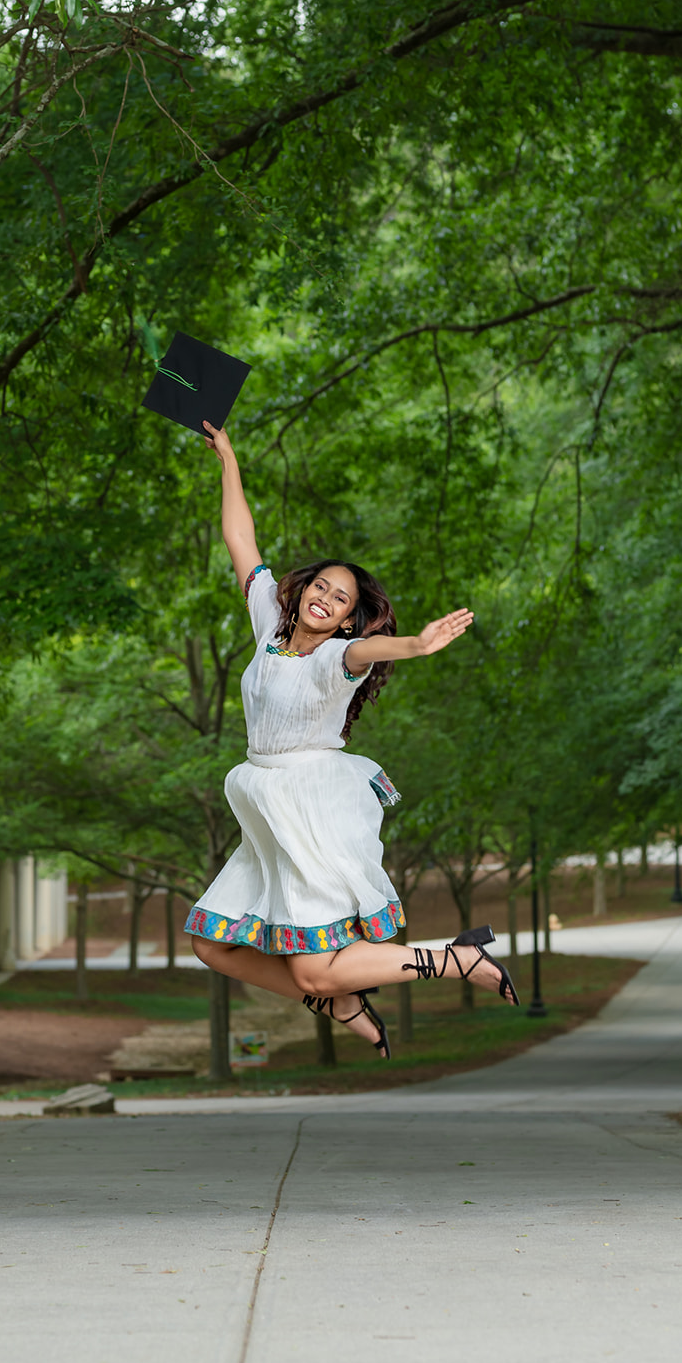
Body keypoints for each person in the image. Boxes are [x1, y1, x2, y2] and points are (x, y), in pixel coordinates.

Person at [186, 421, 518, 1059]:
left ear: (346, 618)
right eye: (320, 586)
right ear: (303, 590)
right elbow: (240, 539)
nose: (326, 599)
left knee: (314, 963)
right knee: (210, 943)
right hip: (264, 807)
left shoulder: (337, 658)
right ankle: (333, 997)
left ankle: (454, 960)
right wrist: (227, 458)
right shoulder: (268, 629)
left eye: (341, 600)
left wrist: (418, 644)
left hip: (309, 807)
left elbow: (376, 648)